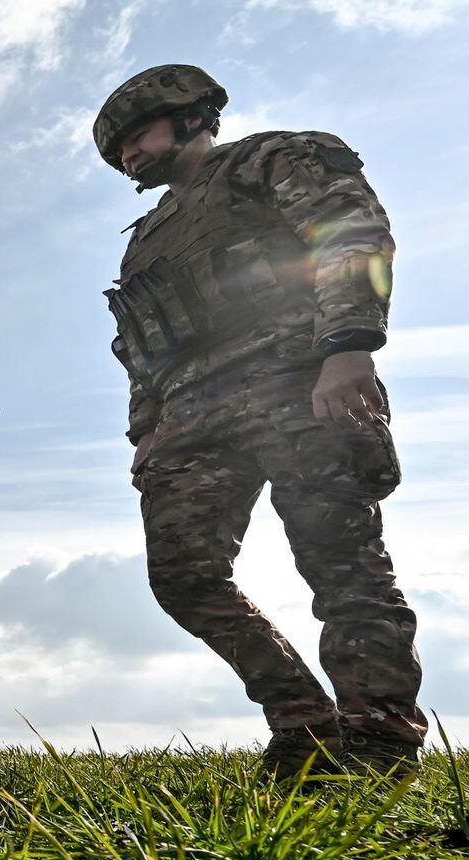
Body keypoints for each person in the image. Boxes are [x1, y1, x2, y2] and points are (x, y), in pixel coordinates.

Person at [94, 65, 424, 779]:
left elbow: (351, 235)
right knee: (182, 575)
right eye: (117, 151)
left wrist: (349, 349)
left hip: (299, 379)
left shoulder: (272, 158)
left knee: (341, 560)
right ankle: (305, 724)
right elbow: (144, 342)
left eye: (135, 136)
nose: (129, 156)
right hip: (190, 415)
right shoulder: (145, 237)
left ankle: (378, 741)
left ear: (189, 116)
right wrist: (146, 429)